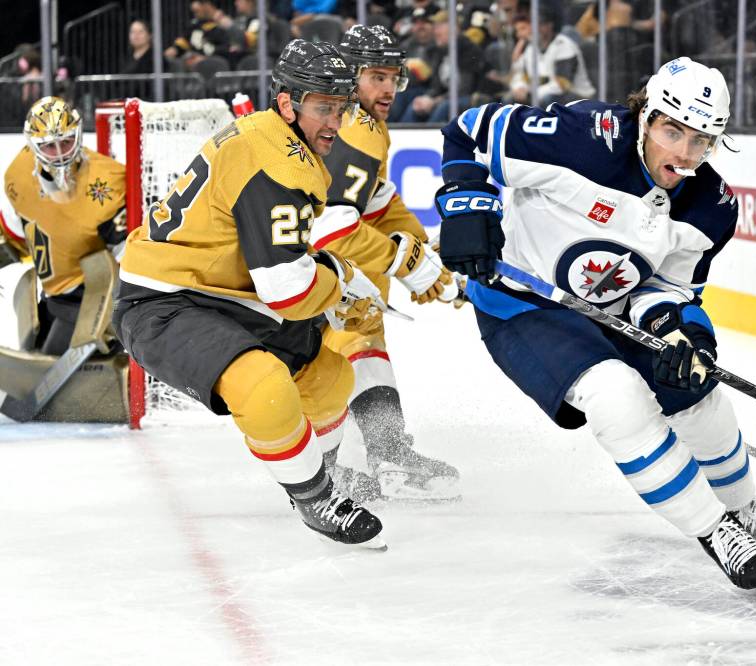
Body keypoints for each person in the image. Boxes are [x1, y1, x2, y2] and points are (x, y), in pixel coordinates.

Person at [434, 57, 756, 595]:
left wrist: (683, 333)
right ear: (646, 115)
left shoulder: (712, 206)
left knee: (695, 387)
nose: (682, 153)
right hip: (523, 302)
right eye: (671, 130)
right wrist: (467, 206)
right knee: (617, 394)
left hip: (613, 308)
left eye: (701, 140)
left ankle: (745, 507)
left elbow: (668, 287)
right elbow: (468, 132)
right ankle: (716, 531)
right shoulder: (579, 140)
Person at [113, 40, 385, 549]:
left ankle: (315, 469)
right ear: (287, 104)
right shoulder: (276, 162)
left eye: (341, 108)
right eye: (323, 107)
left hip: (225, 292)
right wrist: (339, 281)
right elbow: (286, 292)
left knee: (330, 379)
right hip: (163, 298)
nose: (335, 121)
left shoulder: (273, 141)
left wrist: (331, 273)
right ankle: (315, 495)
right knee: (264, 387)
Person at [315, 24, 462, 501]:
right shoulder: (356, 128)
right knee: (354, 332)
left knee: (347, 339)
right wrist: (406, 262)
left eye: (393, 77)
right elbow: (332, 226)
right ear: (352, 75)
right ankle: (377, 455)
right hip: (290, 263)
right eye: (376, 75)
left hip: (290, 256)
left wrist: (424, 250)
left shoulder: (358, 122)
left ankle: (344, 461)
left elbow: (375, 201)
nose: (387, 88)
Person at [1, 96, 127, 355]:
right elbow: (15, 231)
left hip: (92, 297)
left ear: (78, 134)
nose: (59, 154)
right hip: (51, 294)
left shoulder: (110, 180)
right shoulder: (17, 174)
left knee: (53, 377)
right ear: (32, 145)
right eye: (49, 146)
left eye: (66, 141)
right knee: (37, 357)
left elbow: (126, 256)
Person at [508, 7, 594, 107]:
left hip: (577, 97)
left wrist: (531, 94)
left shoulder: (564, 45)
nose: (537, 29)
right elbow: (522, 76)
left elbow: (562, 85)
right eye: (534, 25)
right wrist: (520, 88)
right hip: (539, 95)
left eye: (541, 24)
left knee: (549, 100)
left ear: (550, 25)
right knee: (509, 101)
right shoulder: (531, 47)